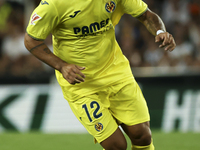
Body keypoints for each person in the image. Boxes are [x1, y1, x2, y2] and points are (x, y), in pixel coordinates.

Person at [24, 0, 176, 149]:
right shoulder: (54, 4)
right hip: (82, 84)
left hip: (117, 74)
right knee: (116, 145)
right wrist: (61, 66)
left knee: (142, 135)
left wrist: (160, 31)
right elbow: (31, 40)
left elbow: (146, 15)